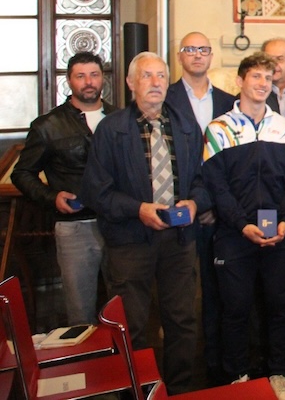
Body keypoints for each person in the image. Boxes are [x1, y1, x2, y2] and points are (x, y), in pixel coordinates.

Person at [82, 52, 208, 394]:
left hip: (179, 241)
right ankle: (137, 390)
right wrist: (137, 209)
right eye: (147, 76)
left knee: (182, 321)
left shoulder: (184, 125)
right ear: (130, 83)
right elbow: (97, 190)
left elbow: (202, 178)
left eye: (161, 76)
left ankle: (178, 389)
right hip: (130, 241)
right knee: (133, 325)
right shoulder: (112, 129)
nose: (155, 83)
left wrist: (195, 201)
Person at [202, 52, 285, 400]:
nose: (263, 84)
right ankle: (239, 376)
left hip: (281, 235)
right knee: (235, 309)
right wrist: (242, 224)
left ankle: (278, 373)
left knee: (280, 308)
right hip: (235, 236)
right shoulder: (219, 128)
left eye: (268, 78)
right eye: (256, 77)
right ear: (240, 82)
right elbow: (217, 187)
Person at [12, 51, 115, 324]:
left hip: (119, 223)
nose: (88, 82)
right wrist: (51, 196)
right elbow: (22, 173)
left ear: (102, 78)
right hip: (75, 227)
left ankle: (121, 365)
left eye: (94, 74)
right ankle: (85, 365)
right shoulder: (48, 125)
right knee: (80, 311)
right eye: (81, 76)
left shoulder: (119, 118)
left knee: (124, 307)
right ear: (69, 81)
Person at [164, 31, 235, 384]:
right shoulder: (166, 98)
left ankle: (215, 363)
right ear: (180, 56)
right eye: (190, 49)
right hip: (177, 207)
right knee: (179, 298)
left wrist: (215, 203)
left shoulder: (227, 101)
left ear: (211, 56)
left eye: (203, 49)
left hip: (217, 211)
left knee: (216, 291)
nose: (197, 55)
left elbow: (230, 160)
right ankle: (180, 370)